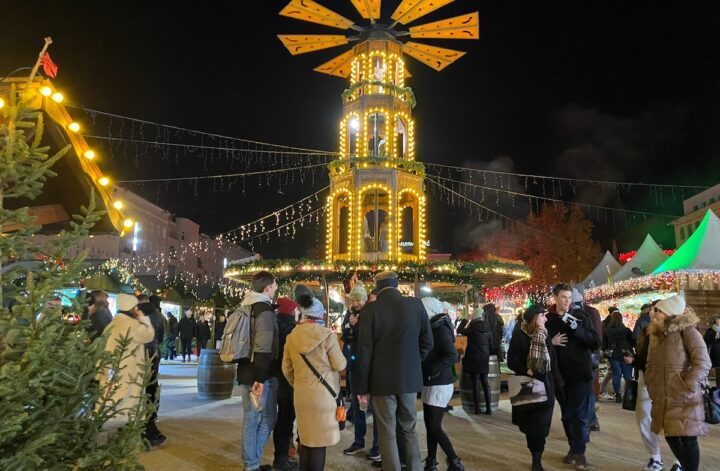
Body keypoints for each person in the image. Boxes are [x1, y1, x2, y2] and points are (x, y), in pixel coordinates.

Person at [355, 271, 433, 471]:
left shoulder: (370, 311)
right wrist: (414, 361)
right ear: (397, 284)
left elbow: (364, 354)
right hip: (409, 379)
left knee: (387, 431)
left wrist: (361, 389)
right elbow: (427, 342)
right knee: (409, 428)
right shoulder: (416, 305)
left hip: (381, 382)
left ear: (378, 287)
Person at [645, 294, 711, 471]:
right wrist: (651, 384)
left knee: (688, 437)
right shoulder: (656, 335)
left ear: (669, 313)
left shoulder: (688, 331)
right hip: (664, 396)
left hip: (684, 395)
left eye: (658, 311)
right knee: (670, 435)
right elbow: (650, 363)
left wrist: (687, 384)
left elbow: (703, 361)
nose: (654, 313)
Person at [282, 292, 346, 471]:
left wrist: (299, 384)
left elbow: (286, 369)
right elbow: (339, 364)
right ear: (320, 315)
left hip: (302, 394)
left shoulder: (292, 337)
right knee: (319, 442)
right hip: (324, 397)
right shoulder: (327, 336)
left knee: (305, 439)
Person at [546, 283, 599, 470]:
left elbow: (594, 342)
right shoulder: (547, 319)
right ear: (555, 297)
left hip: (580, 374)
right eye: (563, 297)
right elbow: (537, 346)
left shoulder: (581, 317)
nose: (567, 301)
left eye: (569, 297)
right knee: (567, 416)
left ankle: (580, 452)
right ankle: (573, 448)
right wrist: (550, 342)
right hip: (559, 376)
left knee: (580, 416)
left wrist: (577, 329)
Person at [507, 305, 562, 471]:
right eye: (542, 316)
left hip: (546, 383)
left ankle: (537, 458)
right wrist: (527, 369)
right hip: (528, 385)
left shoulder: (544, 335)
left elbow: (553, 361)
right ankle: (535, 455)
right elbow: (511, 362)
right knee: (531, 426)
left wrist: (559, 383)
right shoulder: (519, 336)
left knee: (542, 426)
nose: (545, 319)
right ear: (533, 318)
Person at [237, 271, 280, 471]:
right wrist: (261, 378)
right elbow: (263, 346)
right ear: (267, 288)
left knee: (250, 419)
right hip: (260, 374)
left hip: (245, 369)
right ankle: (252, 463)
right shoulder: (264, 309)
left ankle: (251, 463)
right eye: (274, 285)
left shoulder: (245, 305)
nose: (276, 289)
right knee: (268, 417)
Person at [624, 300, 672, 471]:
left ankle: (680, 460)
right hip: (646, 378)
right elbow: (643, 357)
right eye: (651, 310)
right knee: (644, 417)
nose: (652, 313)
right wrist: (634, 360)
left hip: (670, 382)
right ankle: (655, 456)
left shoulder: (677, 331)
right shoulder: (646, 331)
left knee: (672, 421)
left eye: (656, 310)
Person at [98, 293, 155, 427]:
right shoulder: (131, 324)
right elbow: (148, 335)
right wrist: (144, 319)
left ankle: (107, 419)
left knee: (111, 393)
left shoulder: (111, 324)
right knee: (126, 399)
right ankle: (122, 427)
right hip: (128, 368)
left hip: (112, 367)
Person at [420, 297, 464, 471]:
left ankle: (454, 461)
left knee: (434, 426)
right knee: (430, 424)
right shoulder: (434, 326)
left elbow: (451, 355)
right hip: (432, 382)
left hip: (439, 382)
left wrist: (431, 370)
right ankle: (431, 462)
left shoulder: (439, 329)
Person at [342, 282, 381, 462]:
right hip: (354, 367)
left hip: (371, 368)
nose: (356, 303)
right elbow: (345, 334)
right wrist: (349, 327)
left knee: (375, 407)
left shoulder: (371, 314)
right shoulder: (349, 314)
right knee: (357, 407)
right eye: (354, 299)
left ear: (366, 300)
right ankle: (359, 440)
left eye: (359, 299)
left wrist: (355, 327)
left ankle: (377, 446)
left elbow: (368, 337)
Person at [273, 297, 299, 471]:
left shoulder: (275, 324)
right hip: (287, 380)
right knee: (286, 419)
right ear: (290, 311)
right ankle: (282, 460)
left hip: (277, 378)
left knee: (282, 418)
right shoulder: (290, 329)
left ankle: (282, 456)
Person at [137, 294, 167, 447]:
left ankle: (146, 426)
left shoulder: (135, 314)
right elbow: (161, 335)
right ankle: (152, 414)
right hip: (153, 354)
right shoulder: (157, 315)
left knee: (139, 388)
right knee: (152, 385)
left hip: (138, 355)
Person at [458, 307, 492, 415]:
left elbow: (459, 330)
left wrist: (466, 319)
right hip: (484, 358)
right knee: (485, 382)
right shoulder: (487, 328)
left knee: (475, 382)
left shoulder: (472, 328)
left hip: (474, 358)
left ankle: (477, 409)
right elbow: (491, 344)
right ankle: (489, 409)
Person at [602, 310, 635, 403]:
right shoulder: (626, 330)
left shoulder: (607, 331)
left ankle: (618, 395)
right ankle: (627, 396)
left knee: (616, 374)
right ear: (621, 319)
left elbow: (604, 344)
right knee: (628, 375)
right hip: (626, 353)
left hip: (613, 355)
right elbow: (633, 342)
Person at [703, 316, 720, 388]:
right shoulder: (710, 330)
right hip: (716, 353)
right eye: (718, 320)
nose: (719, 322)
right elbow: (706, 341)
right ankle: (719, 388)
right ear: (715, 321)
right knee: (719, 372)